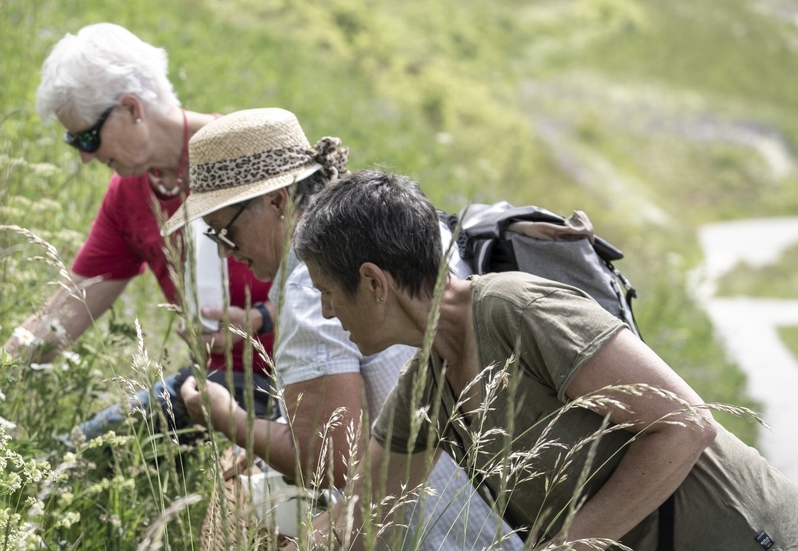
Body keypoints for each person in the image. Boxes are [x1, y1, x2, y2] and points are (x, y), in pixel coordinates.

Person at [291, 170, 798, 550]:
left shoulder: (516, 310)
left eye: (327, 291)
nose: (326, 311)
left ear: (375, 283)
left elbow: (686, 423)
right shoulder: (427, 382)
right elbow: (362, 513)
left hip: (750, 534)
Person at [164, 108, 521, 550]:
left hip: (432, 533)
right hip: (506, 521)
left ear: (277, 201)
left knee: (238, 502)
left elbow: (330, 461)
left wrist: (228, 419)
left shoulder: (307, 283)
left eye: (225, 234)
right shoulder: (399, 228)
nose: (224, 254)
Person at [4, 23, 278, 442]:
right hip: (207, 385)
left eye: (88, 137)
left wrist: (260, 320)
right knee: (70, 460)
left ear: (132, 108)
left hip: (306, 384)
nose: (84, 158)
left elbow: (344, 275)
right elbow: (66, 311)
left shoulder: (251, 155)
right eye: (72, 142)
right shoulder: (128, 197)